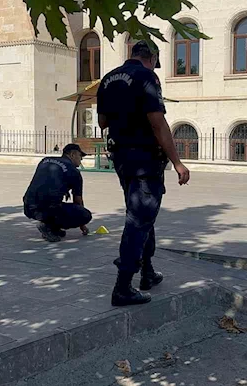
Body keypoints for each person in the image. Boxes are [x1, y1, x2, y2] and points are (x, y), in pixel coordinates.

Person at [96, 41, 191, 307]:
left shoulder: (108, 79)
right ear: (151, 57)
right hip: (144, 158)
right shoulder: (147, 76)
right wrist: (178, 162)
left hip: (121, 159)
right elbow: (157, 122)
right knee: (139, 219)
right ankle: (123, 286)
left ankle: (147, 272)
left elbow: (103, 122)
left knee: (141, 213)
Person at [23, 144, 92, 242]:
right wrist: (82, 225)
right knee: (85, 214)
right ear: (72, 154)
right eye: (80, 156)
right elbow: (78, 200)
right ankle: (47, 225)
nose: (81, 160)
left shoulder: (45, 160)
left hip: (28, 206)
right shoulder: (74, 172)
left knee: (54, 203)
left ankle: (53, 228)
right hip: (47, 209)